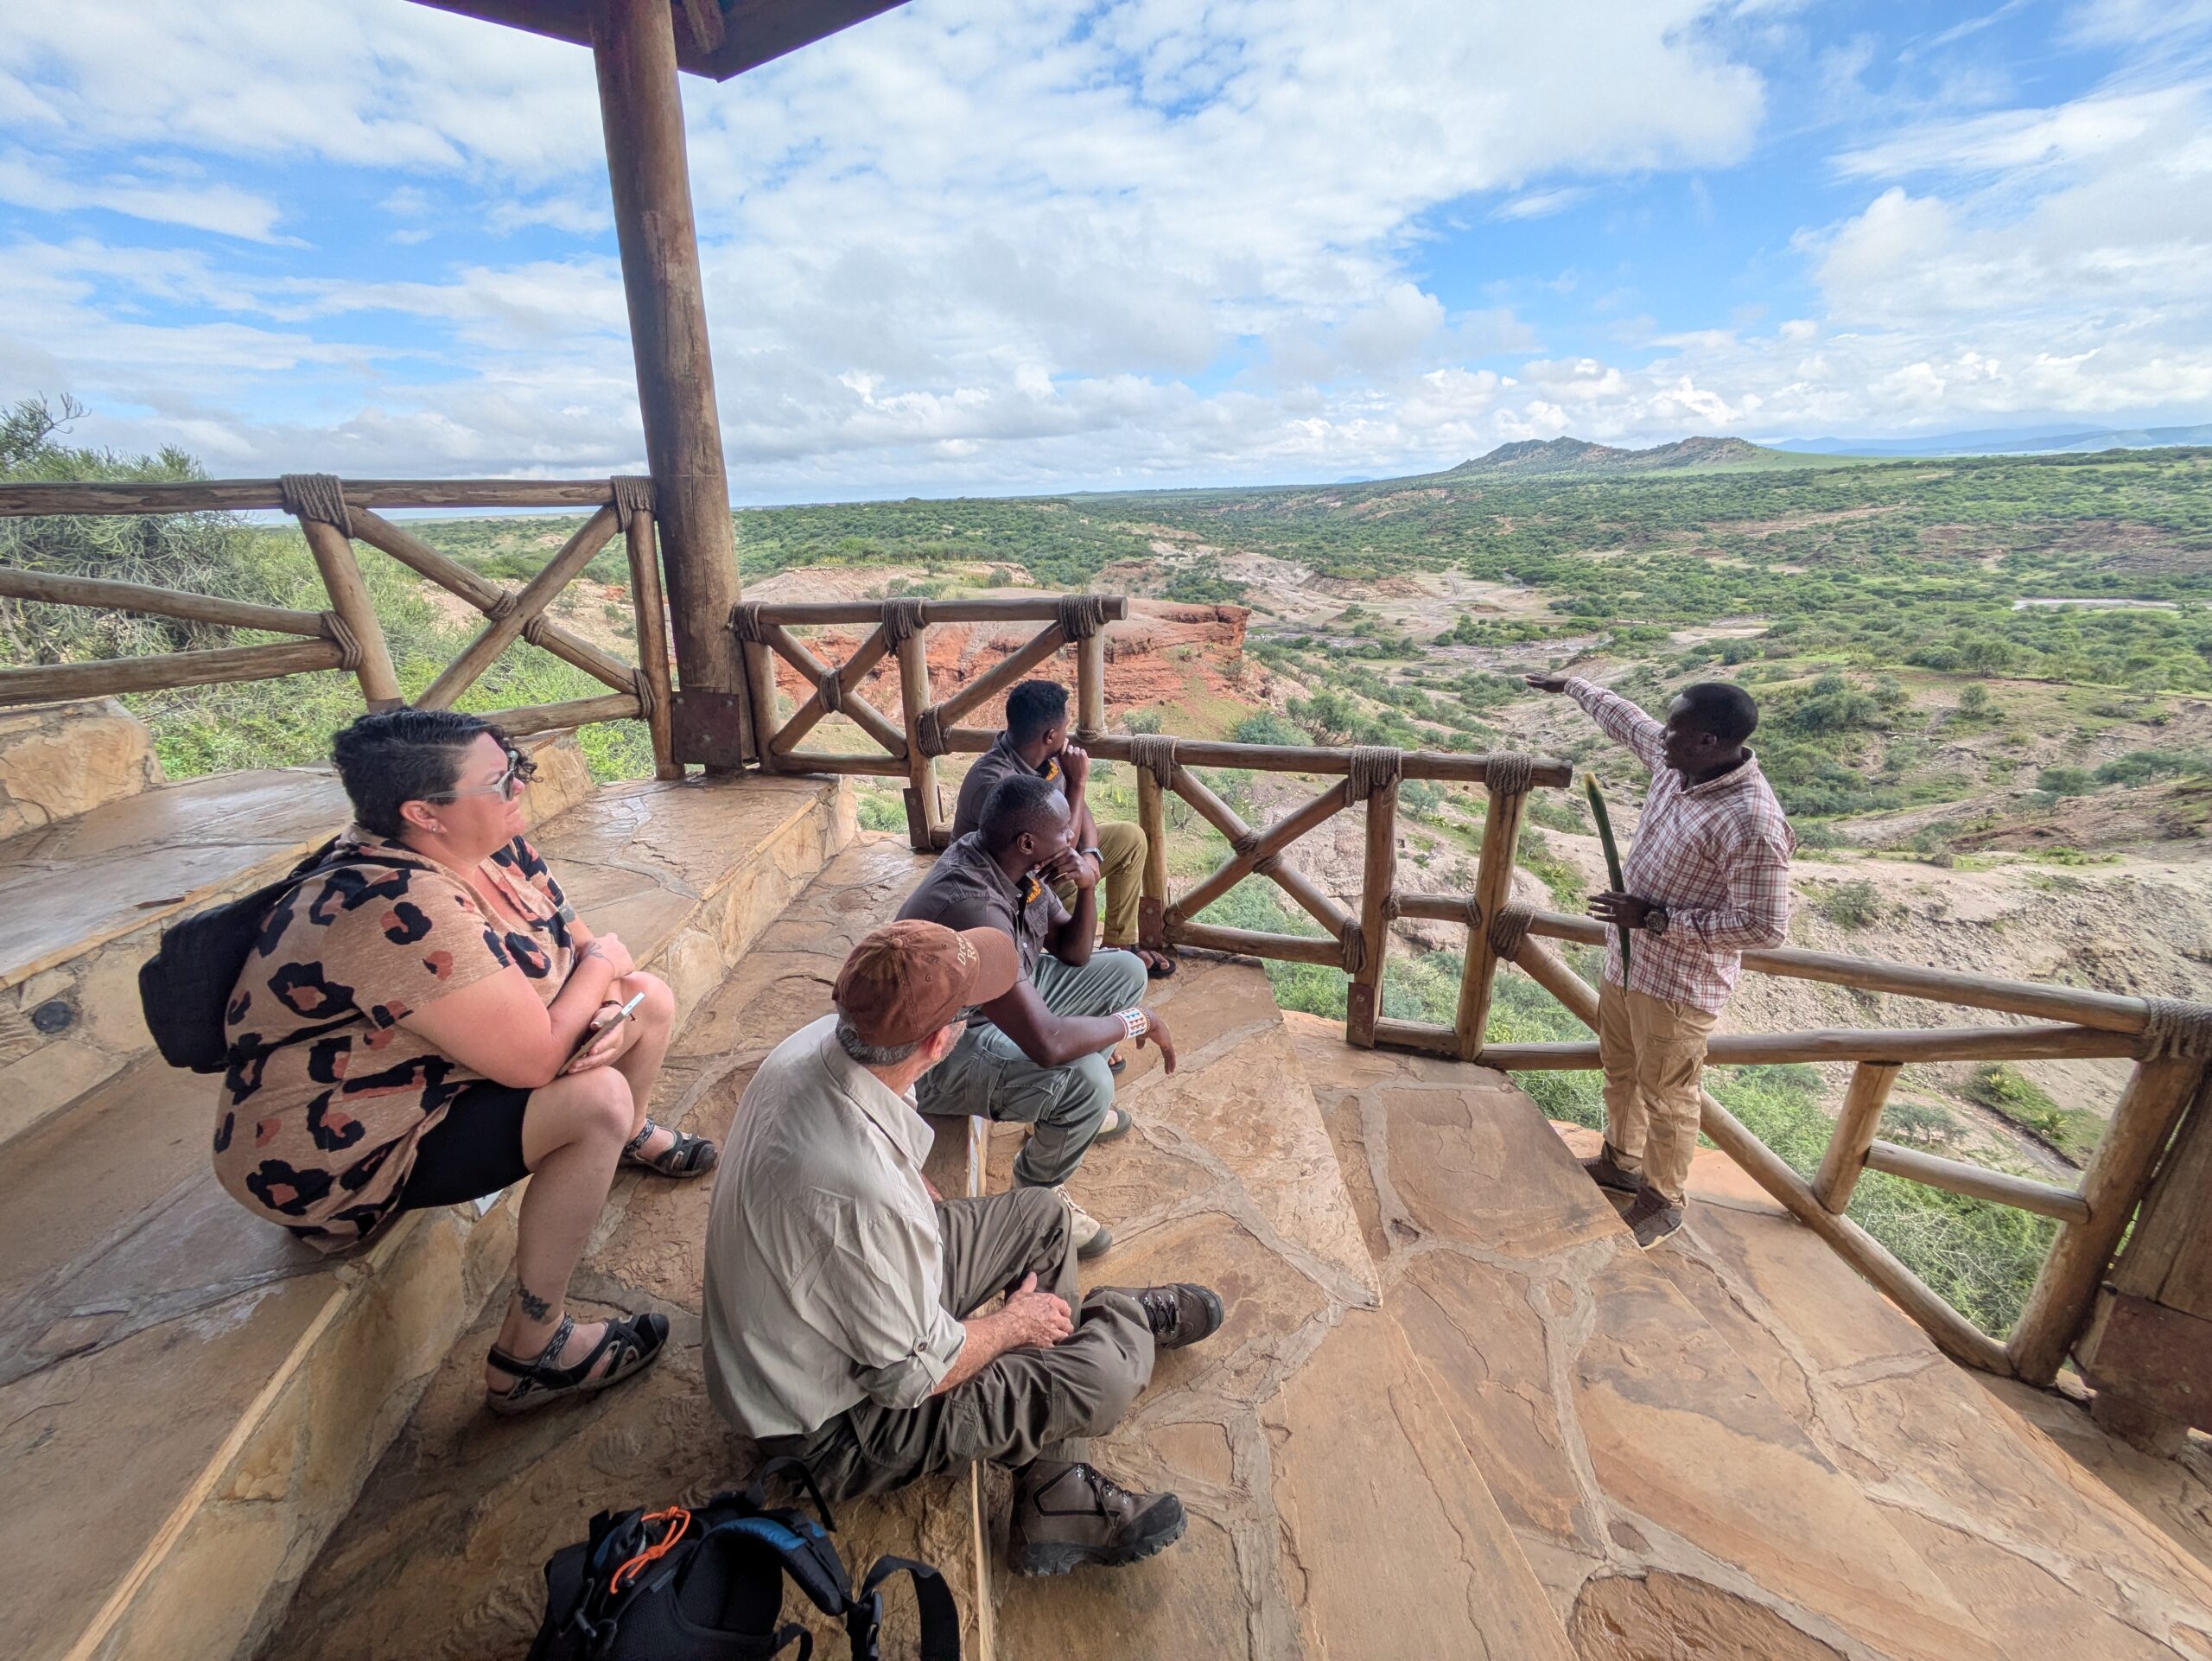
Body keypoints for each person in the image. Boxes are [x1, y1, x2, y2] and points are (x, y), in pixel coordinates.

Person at [213, 708, 716, 1414]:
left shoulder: (494, 847)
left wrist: (603, 992)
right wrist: (601, 967)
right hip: (335, 1144)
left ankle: (629, 1131)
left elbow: (576, 947)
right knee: (593, 1098)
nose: (521, 788)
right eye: (502, 779)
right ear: (424, 812)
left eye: (516, 767)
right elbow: (543, 1051)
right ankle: (532, 1351)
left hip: (424, 1076)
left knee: (646, 1000)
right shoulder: (391, 904)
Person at [702, 919, 1224, 1576]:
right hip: (828, 1426)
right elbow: (913, 1378)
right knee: (1107, 1377)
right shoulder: (861, 1197)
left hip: (825, 1309)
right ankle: (1113, 1322)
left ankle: (1057, 1474)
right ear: (941, 1039)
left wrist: (913, 1198)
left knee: (1044, 1216)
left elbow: (873, 1177)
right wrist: (1010, 1325)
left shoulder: (827, 1045)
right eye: (970, 1010)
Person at [1524, 674, 1794, 1249]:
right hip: (1628, 965)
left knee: (1668, 1097)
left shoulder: (1751, 822)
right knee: (1621, 1073)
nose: (1662, 734)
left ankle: (1662, 1199)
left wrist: (1656, 918)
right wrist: (1573, 685)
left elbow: (1765, 927)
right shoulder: (1680, 766)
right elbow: (1628, 722)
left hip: (1677, 984)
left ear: (1710, 741)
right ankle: (1621, 1164)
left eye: (1676, 727)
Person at [896, 772, 1173, 1257]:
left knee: (1126, 970)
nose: (1074, 839)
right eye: (1064, 831)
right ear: (1028, 841)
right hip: (936, 1055)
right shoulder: (977, 910)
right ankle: (1035, 1200)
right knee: (1087, 1079)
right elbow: (1047, 1043)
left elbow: (1074, 952)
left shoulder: (1014, 868)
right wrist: (1139, 1021)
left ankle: (1053, 1120)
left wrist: (1087, 884)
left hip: (993, 1003)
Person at [950, 678, 1173, 977]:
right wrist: (1079, 782)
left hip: (1050, 864)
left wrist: (1091, 854)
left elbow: (1079, 813)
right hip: (1018, 883)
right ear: (1051, 734)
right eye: (1066, 727)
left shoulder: (1047, 759)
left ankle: (1118, 945)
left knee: (1129, 839)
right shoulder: (998, 784)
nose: (1068, 735)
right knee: (1074, 940)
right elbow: (1058, 847)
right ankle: (1066, 944)